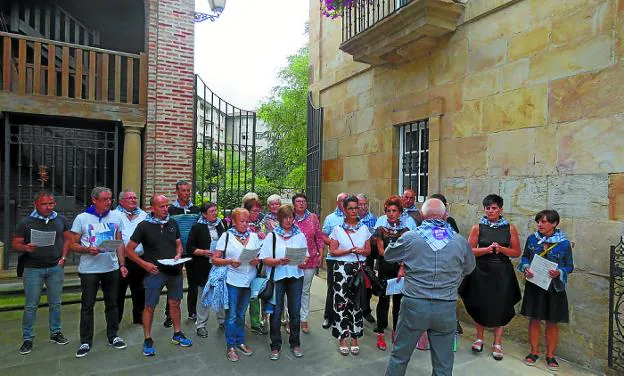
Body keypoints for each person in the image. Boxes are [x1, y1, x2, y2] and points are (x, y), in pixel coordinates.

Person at [385, 198, 476, 376]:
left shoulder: (410, 237)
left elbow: (389, 255)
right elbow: (469, 268)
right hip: (445, 305)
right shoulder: (459, 241)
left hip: (415, 304)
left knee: (400, 356)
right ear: (446, 216)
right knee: (443, 363)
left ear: (421, 216)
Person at [125, 194, 193, 356]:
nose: (165, 209)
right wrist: (144, 264)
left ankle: (177, 333)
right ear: (152, 208)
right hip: (154, 272)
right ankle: (147, 338)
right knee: (149, 306)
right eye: (161, 206)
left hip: (174, 271)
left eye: (166, 206)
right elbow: (129, 250)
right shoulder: (144, 226)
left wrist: (178, 254)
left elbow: (178, 243)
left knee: (175, 303)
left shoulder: (172, 222)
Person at [459, 194, 522, 361]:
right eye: (488, 208)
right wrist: (486, 250)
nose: (491, 211)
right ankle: (479, 338)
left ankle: (497, 343)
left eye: (494, 208)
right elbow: (469, 250)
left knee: (500, 305)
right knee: (480, 303)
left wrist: (501, 249)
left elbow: (516, 252)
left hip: (502, 272)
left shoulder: (510, 228)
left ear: (500, 209)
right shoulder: (477, 228)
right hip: (481, 270)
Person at [69, 187, 128, 358]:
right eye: (105, 199)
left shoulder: (117, 216)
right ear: (94, 200)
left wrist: (122, 264)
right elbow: (72, 244)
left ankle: (113, 335)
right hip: (89, 270)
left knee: (112, 304)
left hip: (111, 267)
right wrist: (87, 249)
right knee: (87, 306)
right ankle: (85, 340)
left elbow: (119, 242)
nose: (109, 202)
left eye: (110, 199)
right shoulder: (82, 218)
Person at [13, 191, 70, 355]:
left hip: (55, 267)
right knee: (31, 305)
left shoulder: (60, 220)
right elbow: (16, 243)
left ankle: (56, 332)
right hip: (32, 268)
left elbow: (68, 239)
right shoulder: (26, 222)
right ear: (36, 205)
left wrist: (64, 257)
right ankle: (28, 338)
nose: (48, 207)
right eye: (44, 204)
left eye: (51, 203)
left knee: (56, 303)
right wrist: (25, 247)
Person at [519, 210, 574, 371]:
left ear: (554, 224)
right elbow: (524, 258)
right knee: (534, 319)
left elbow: (570, 266)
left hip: (554, 288)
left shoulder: (564, 243)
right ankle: (534, 352)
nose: (540, 225)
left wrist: (560, 272)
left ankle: (550, 356)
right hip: (535, 286)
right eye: (539, 222)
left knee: (552, 322)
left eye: (544, 222)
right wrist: (526, 267)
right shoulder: (532, 239)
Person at [212, 208, 262, 362]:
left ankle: (240, 341)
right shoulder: (226, 236)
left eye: (247, 221)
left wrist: (257, 260)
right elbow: (215, 259)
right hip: (232, 280)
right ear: (233, 221)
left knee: (241, 314)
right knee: (232, 314)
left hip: (249, 281)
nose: (245, 224)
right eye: (242, 221)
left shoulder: (253, 236)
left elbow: (260, 255)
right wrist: (229, 261)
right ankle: (230, 346)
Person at [260, 204, 308, 360]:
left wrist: (303, 262)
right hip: (278, 278)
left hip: (295, 276)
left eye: (291, 217)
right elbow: (265, 259)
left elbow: (305, 256)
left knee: (294, 312)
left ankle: (295, 343)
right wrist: (278, 261)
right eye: (286, 217)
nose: (289, 220)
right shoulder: (271, 236)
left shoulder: (299, 235)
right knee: (276, 312)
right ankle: (275, 346)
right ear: (279, 219)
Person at [329, 195, 371, 356]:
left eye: (356, 208)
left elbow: (368, 251)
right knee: (340, 304)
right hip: (341, 269)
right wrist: (349, 250)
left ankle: (355, 337)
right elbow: (333, 251)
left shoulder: (364, 229)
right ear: (344, 210)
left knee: (357, 304)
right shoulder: (337, 229)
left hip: (358, 269)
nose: (354, 211)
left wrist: (362, 251)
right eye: (351, 208)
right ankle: (342, 337)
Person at [372, 195, 412, 351]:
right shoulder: (381, 230)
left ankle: (396, 331)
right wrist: (397, 254)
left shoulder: (406, 230)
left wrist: (402, 266)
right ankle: (380, 333)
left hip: (399, 270)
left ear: (400, 212)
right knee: (383, 302)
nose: (391, 214)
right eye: (388, 211)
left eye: (394, 210)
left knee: (398, 304)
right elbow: (382, 251)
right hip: (384, 269)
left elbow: (408, 251)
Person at [187, 202, 227, 338]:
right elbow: (190, 248)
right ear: (204, 214)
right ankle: (201, 325)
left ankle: (222, 321)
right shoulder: (197, 227)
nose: (215, 213)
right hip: (204, 266)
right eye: (212, 211)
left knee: (221, 293)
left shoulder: (221, 224)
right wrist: (204, 252)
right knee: (203, 296)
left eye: (216, 210)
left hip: (219, 265)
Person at [165, 180, 201, 326]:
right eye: (183, 190)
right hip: (176, 252)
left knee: (193, 283)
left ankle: (192, 312)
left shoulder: (196, 210)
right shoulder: (170, 210)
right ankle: (170, 315)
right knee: (173, 283)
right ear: (177, 192)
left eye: (188, 190)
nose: (186, 193)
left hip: (193, 251)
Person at [292, 193, 325, 334]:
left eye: (303, 201)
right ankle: (290, 319)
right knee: (292, 291)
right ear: (294, 204)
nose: (300, 203)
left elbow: (319, 236)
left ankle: (303, 319)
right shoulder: (289, 217)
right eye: (298, 201)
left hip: (310, 259)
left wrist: (321, 252)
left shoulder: (313, 218)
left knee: (305, 291)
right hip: (292, 261)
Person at [115, 190, 148, 325]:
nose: (134, 200)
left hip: (139, 258)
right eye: (130, 198)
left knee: (140, 290)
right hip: (120, 260)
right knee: (118, 291)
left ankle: (139, 317)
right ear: (121, 201)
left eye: (135, 198)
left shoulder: (144, 215)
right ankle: (116, 320)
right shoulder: (114, 215)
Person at [321, 192, 348, 329]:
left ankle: (343, 316)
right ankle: (328, 316)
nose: (345, 202)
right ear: (338, 203)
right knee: (332, 288)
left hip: (349, 259)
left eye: (347, 200)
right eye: (343, 200)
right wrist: (333, 244)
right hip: (334, 258)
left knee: (347, 289)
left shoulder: (353, 217)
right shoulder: (330, 218)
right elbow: (323, 236)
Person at [244, 198, 268, 335]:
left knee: (256, 292)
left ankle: (256, 322)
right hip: (245, 264)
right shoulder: (242, 224)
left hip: (260, 263)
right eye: (254, 211)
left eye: (259, 211)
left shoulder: (261, 224)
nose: (257, 213)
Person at [357, 193, 377, 324]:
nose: (363, 207)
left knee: (367, 285)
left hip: (367, 256)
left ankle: (366, 310)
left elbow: (376, 239)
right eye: (360, 204)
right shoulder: (351, 218)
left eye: (365, 204)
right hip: (353, 256)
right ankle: (355, 310)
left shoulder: (374, 219)